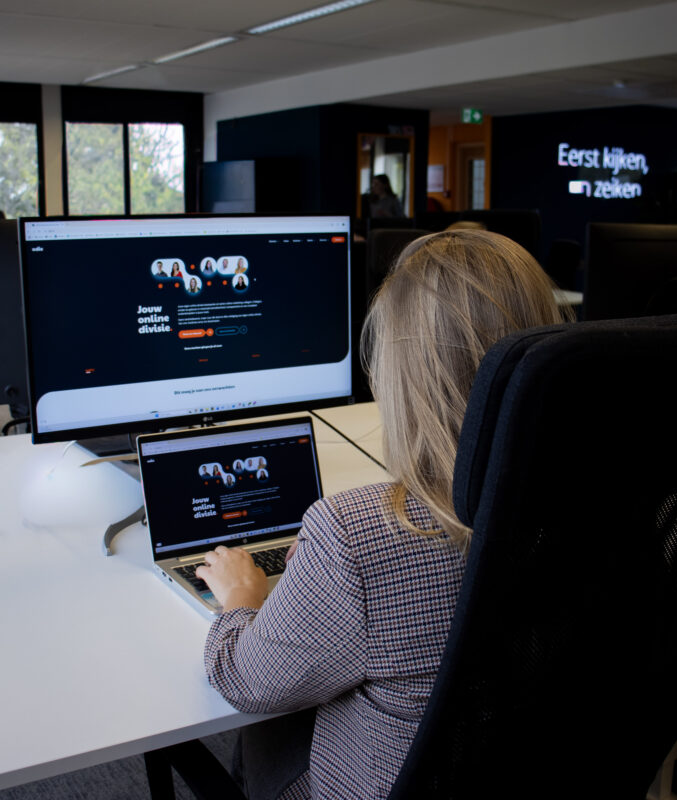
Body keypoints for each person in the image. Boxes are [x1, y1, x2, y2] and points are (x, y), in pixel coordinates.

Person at [199, 230, 568, 800]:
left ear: (402, 372)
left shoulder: (357, 534)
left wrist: (242, 597)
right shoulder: (611, 505)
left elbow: (246, 682)